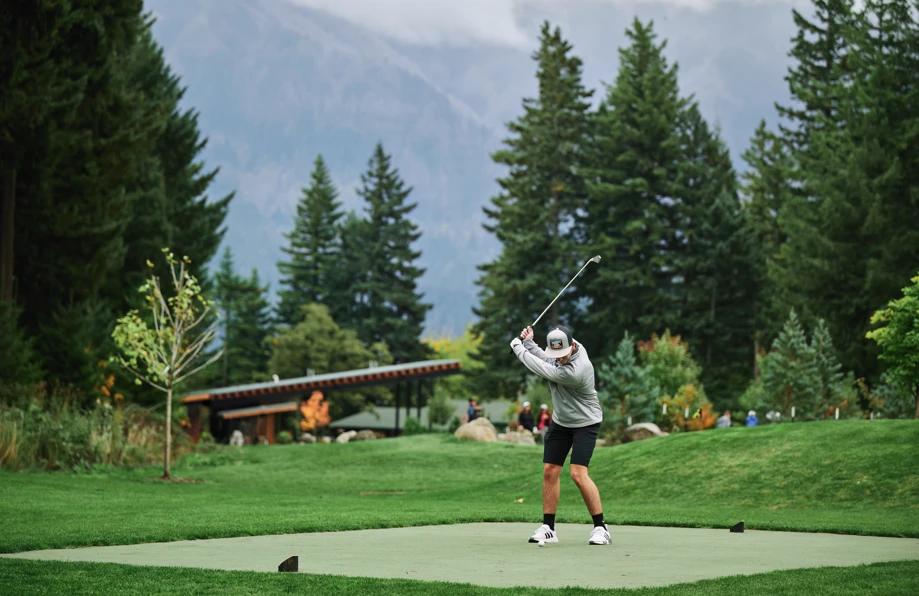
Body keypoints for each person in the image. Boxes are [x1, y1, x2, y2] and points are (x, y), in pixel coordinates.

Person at [509, 324, 610, 546]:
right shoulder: (561, 353)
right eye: (557, 354)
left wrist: (519, 349)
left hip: (586, 423)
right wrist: (529, 343)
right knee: (549, 471)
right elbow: (547, 359)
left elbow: (543, 368)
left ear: (572, 346)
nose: (560, 359)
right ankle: (549, 528)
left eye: (563, 355)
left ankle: (601, 528)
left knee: (578, 474)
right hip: (561, 422)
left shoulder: (577, 370)